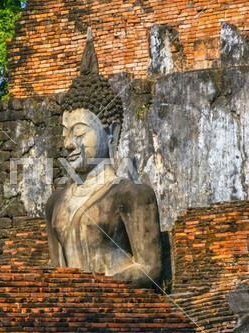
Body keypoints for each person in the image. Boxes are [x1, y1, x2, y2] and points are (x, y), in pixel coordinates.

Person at [45, 29, 162, 287]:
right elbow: (57, 273)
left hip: (120, 314)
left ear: (111, 133)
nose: (67, 144)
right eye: (65, 133)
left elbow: (150, 267)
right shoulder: (55, 203)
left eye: (79, 132)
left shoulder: (132, 195)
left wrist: (97, 290)